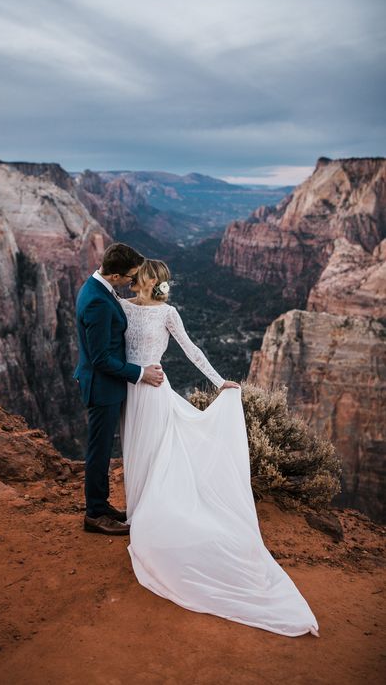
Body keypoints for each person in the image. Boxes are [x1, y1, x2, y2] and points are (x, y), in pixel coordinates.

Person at [118, 258, 320, 638]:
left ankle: (142, 514)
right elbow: (190, 350)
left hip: (141, 390)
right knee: (142, 447)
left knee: (149, 450)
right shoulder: (147, 310)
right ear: (159, 283)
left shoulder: (136, 308)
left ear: (139, 281)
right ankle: (139, 511)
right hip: (143, 386)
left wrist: (219, 382)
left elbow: (190, 350)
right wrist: (217, 380)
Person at [73, 243, 164, 536]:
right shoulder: (98, 302)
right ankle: (94, 514)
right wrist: (141, 373)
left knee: (101, 448)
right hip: (103, 388)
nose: (132, 282)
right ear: (114, 275)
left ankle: (101, 505)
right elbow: (101, 359)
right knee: (99, 451)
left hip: (106, 386)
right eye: (130, 277)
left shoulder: (97, 288)